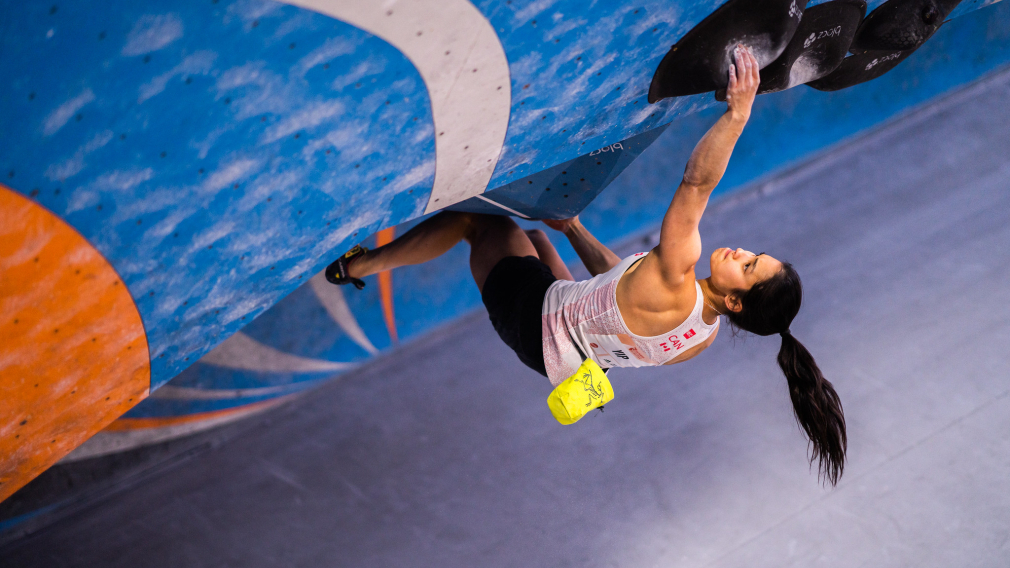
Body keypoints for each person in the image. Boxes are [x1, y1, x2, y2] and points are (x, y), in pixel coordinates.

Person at [326, 46, 846, 484]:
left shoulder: (678, 270)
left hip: (537, 319)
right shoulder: (701, 336)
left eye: (749, 266)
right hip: (564, 345)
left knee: (480, 224)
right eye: (757, 254)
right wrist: (572, 227)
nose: (742, 252)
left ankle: (357, 268)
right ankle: (532, 242)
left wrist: (736, 115)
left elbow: (696, 184)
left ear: (735, 300)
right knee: (531, 232)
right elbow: (622, 288)